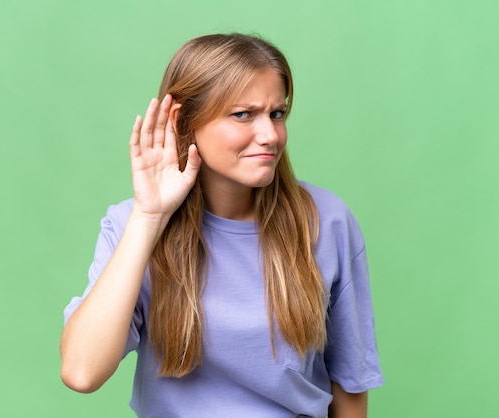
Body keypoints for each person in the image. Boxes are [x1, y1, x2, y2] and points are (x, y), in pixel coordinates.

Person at [60, 33, 383, 417]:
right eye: (243, 114)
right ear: (184, 121)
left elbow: (349, 386)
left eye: (277, 114)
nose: (270, 136)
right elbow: (82, 372)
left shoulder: (326, 221)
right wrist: (149, 218)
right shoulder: (131, 224)